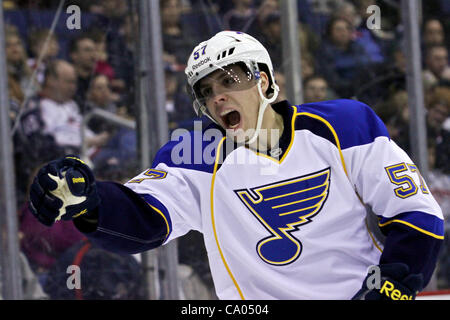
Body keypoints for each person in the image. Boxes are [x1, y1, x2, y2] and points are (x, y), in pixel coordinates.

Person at [28, 31, 444, 300]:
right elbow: (144, 219)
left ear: (263, 80)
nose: (219, 97)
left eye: (230, 81)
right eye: (207, 91)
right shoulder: (195, 153)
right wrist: (89, 201)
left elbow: (416, 214)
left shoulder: (345, 124)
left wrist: (391, 286)